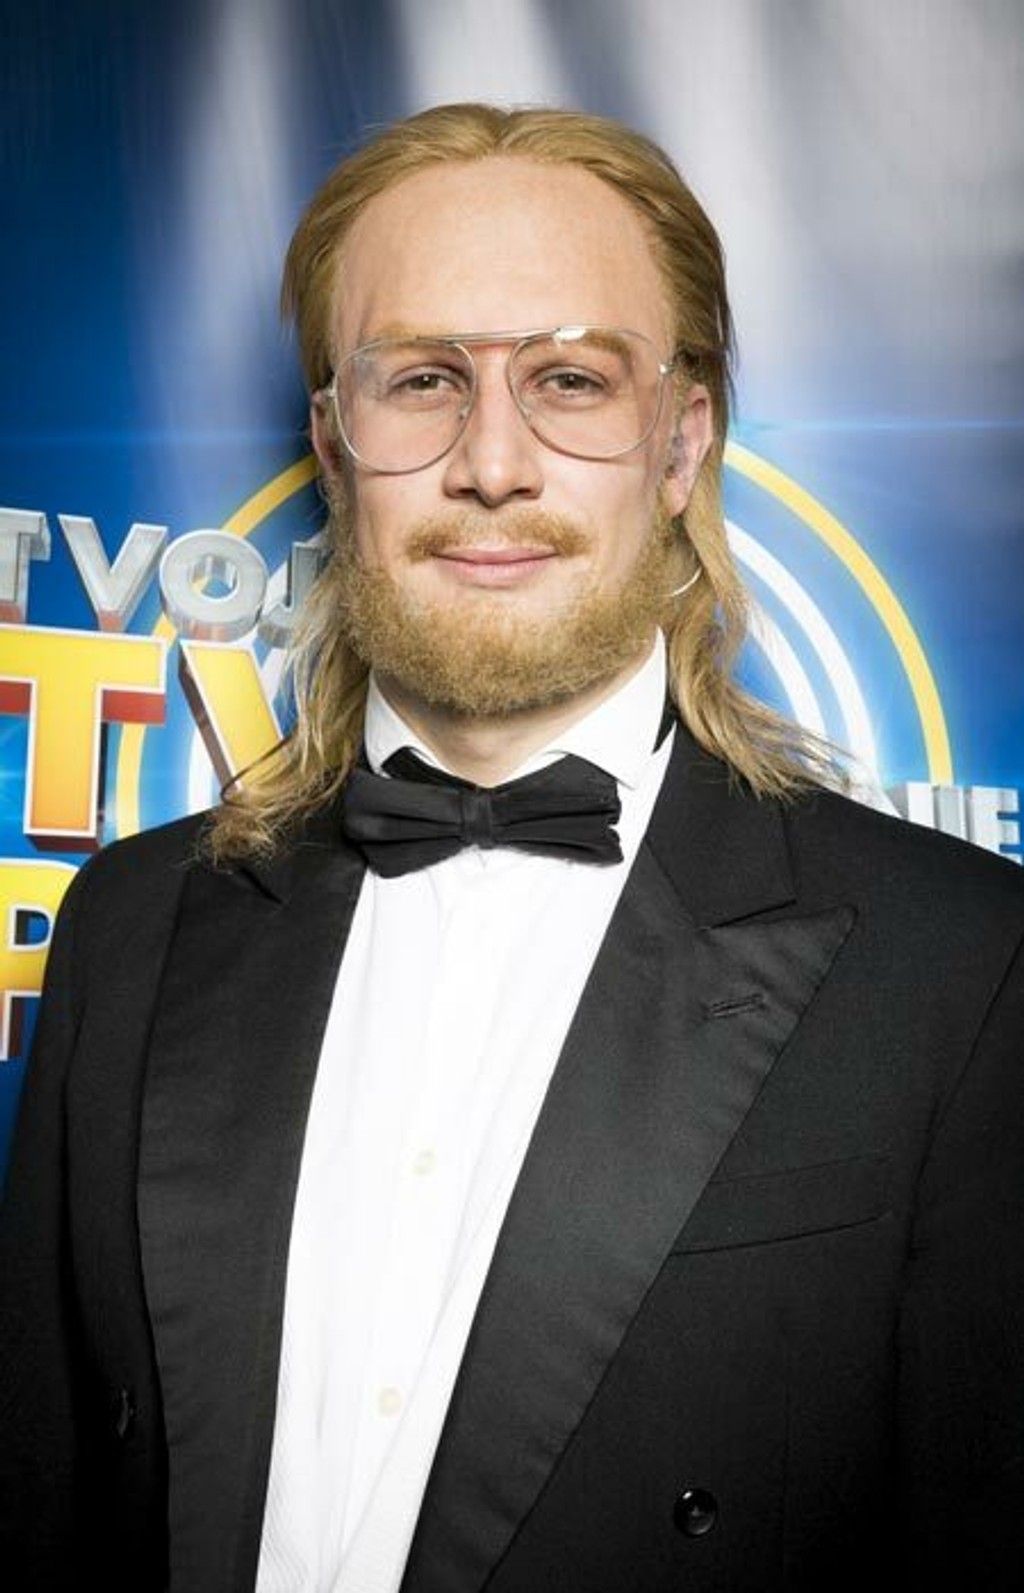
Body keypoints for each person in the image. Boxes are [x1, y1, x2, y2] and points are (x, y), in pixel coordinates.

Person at [1, 102, 1022, 1593]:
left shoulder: (964, 968)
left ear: (681, 444)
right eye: (422, 378)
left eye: (571, 380)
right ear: (333, 442)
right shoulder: (132, 925)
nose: (492, 462)